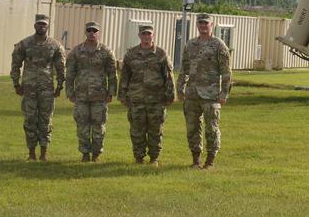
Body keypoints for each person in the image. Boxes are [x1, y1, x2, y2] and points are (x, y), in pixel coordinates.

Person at [178, 13, 231, 169]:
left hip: (211, 95)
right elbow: (184, 69)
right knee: (192, 128)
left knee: (211, 129)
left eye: (206, 23)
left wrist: (224, 93)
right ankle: (195, 159)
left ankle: (210, 160)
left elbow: (226, 72)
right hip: (192, 94)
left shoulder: (219, 45)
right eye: (200, 23)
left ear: (211, 25)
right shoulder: (190, 44)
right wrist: (180, 88)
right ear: (197, 25)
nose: (203, 26)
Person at [10, 13, 65, 161]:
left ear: (48, 26)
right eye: (39, 24)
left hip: (47, 89)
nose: (41, 26)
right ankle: (31, 152)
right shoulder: (24, 44)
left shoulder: (55, 45)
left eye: (44, 24)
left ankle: (44, 152)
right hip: (29, 89)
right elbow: (15, 64)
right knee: (30, 120)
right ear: (34, 26)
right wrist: (16, 84)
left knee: (46, 120)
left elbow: (61, 67)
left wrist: (59, 86)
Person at [118, 24, 175, 166]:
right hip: (136, 99)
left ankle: (154, 158)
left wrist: (170, 95)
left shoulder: (161, 54)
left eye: (149, 34)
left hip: (156, 100)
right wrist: (122, 95)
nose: (146, 36)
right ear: (139, 35)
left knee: (155, 131)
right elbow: (125, 76)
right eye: (143, 34)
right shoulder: (131, 54)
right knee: (137, 131)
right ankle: (139, 157)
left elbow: (168, 76)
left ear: (153, 35)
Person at [65, 21, 117, 162]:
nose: (92, 33)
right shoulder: (76, 51)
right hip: (80, 96)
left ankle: (96, 154)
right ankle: (85, 154)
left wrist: (111, 93)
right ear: (85, 32)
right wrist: (70, 92)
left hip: (99, 96)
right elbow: (70, 73)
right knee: (82, 126)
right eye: (89, 30)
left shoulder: (106, 51)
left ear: (99, 33)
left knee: (98, 126)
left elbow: (112, 74)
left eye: (94, 31)